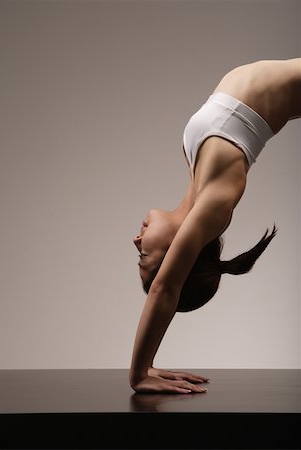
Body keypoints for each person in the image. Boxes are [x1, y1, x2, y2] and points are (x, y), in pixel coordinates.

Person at [130, 58, 301, 394]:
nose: (136, 241)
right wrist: (138, 373)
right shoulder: (214, 203)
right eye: (143, 257)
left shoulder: (197, 179)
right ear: (178, 258)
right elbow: (164, 289)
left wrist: (148, 365)